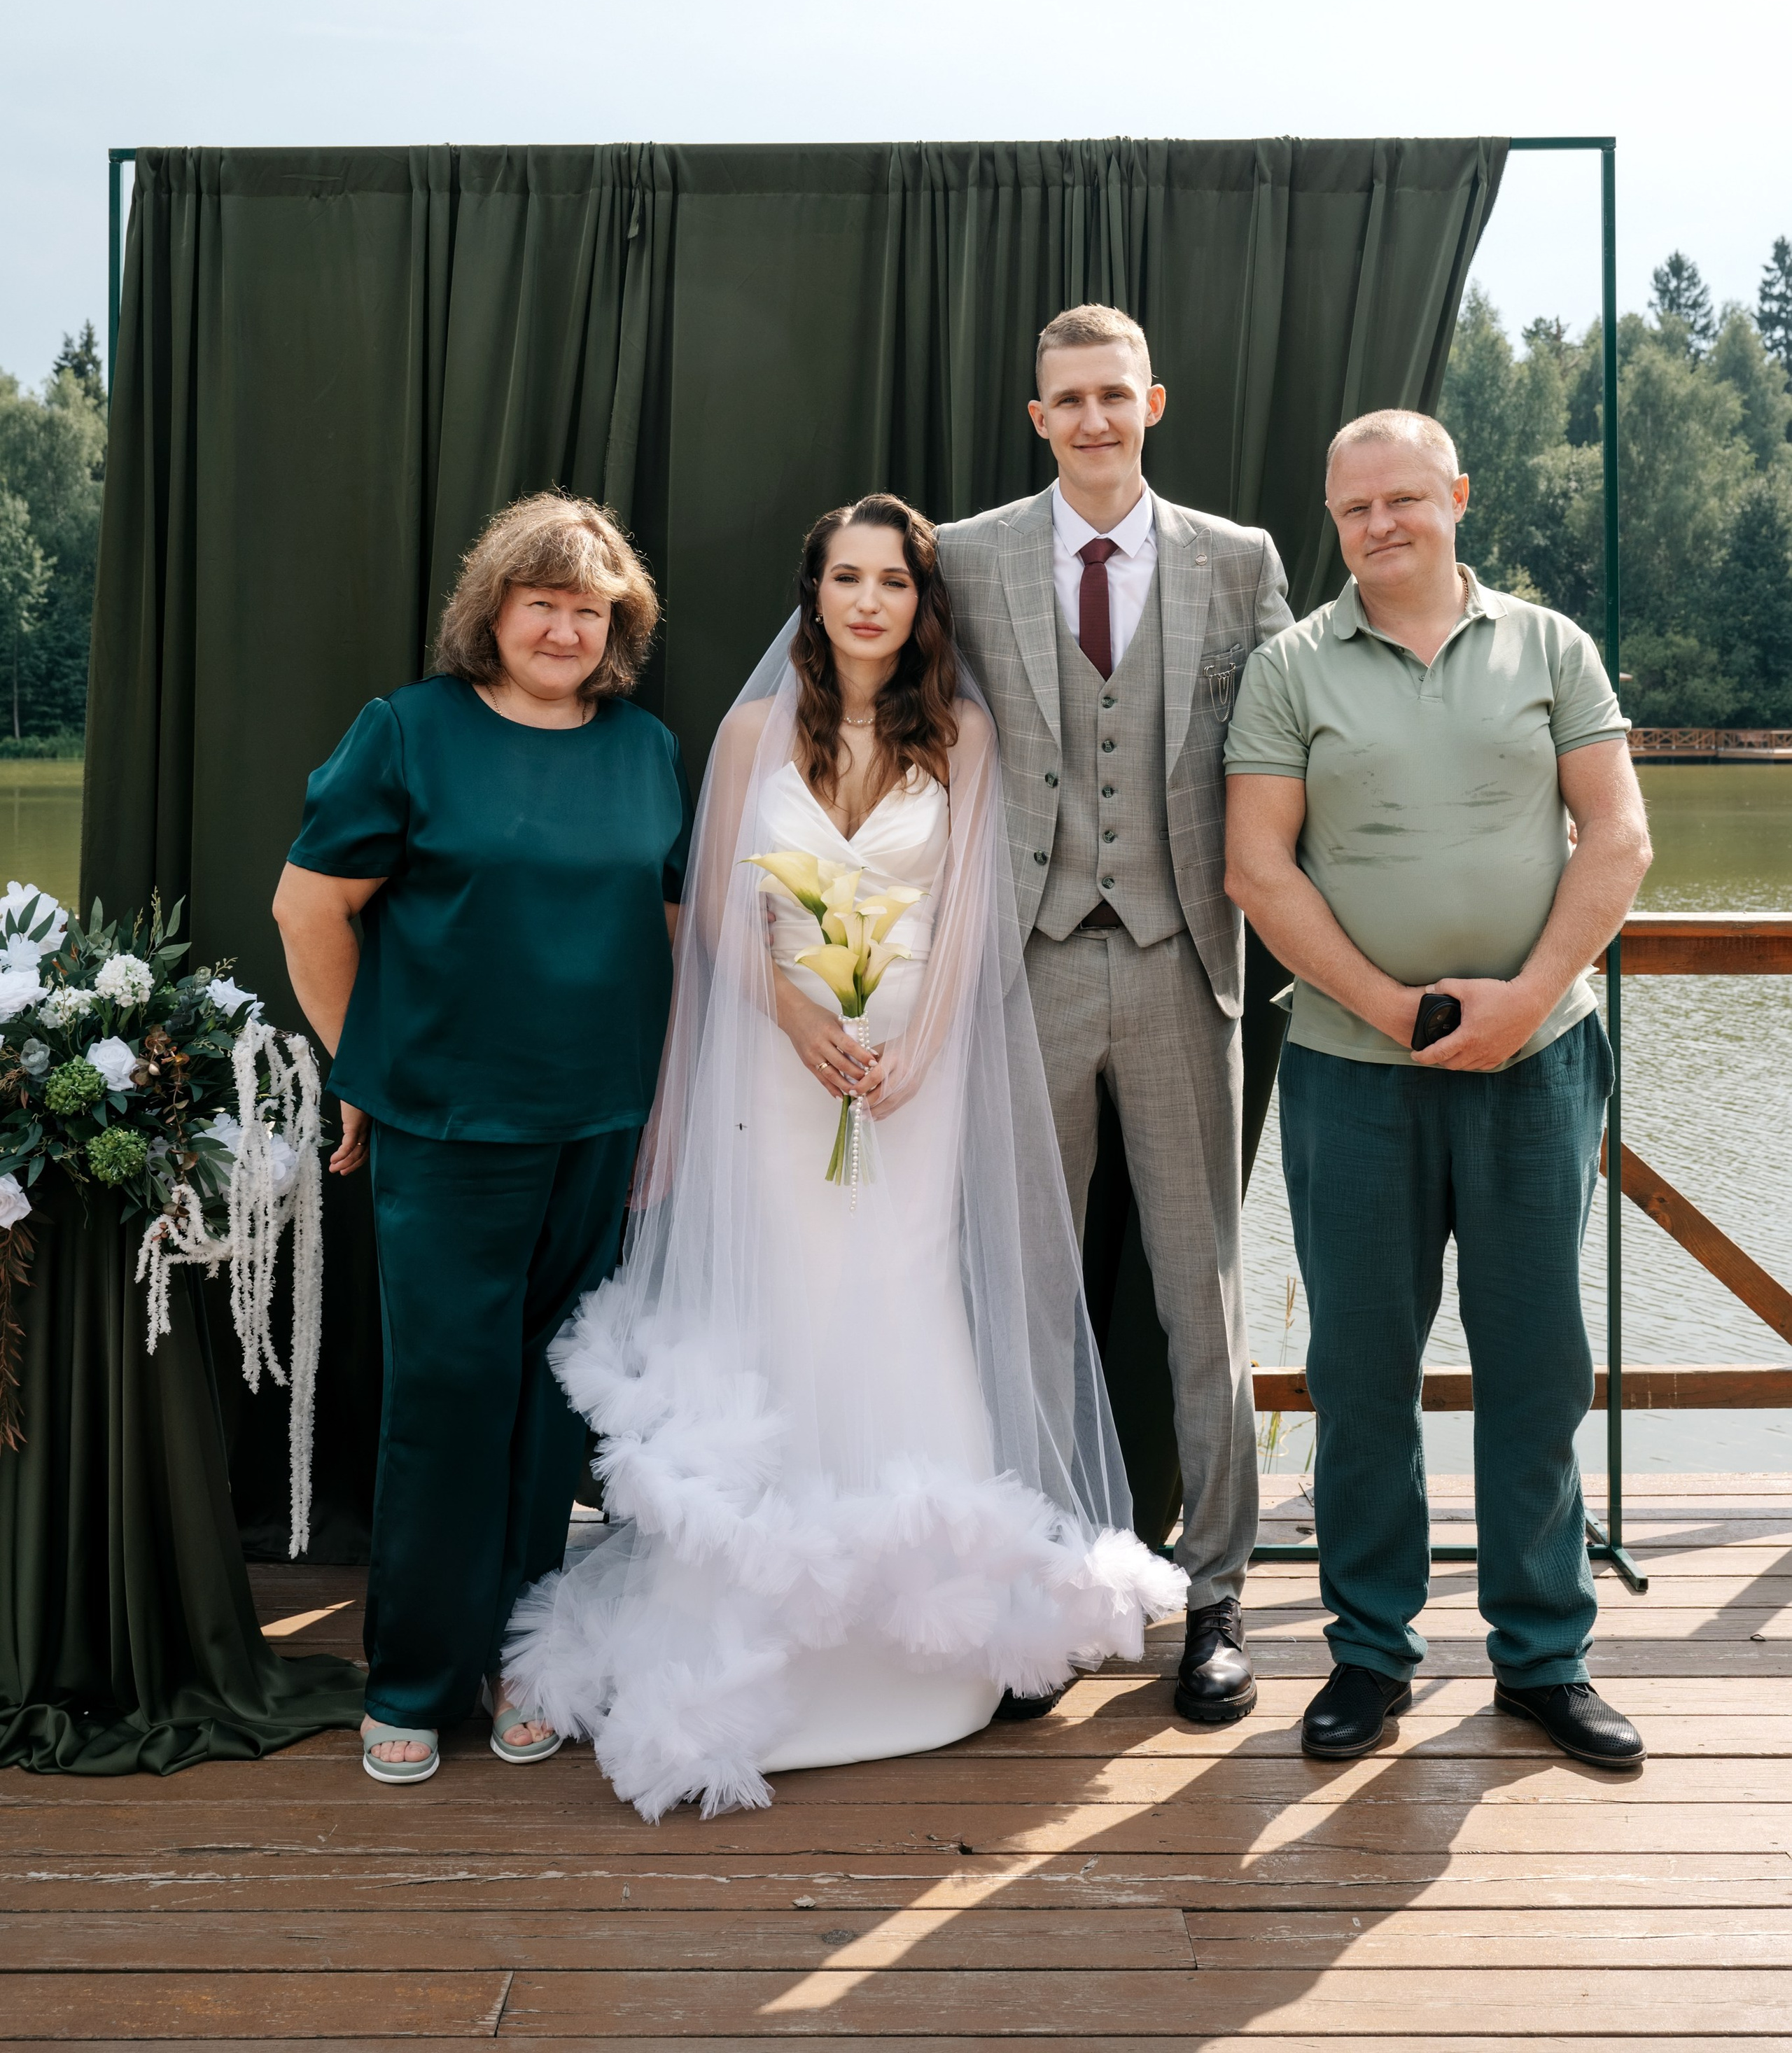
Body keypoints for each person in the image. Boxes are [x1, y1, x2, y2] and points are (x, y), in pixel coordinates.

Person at [504, 492, 1183, 1821]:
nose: (871, 602)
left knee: (903, 1302)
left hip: (914, 1079)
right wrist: (804, 1023)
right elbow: (717, 914)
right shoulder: (757, 730)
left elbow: (976, 911)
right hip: (777, 1061)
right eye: (847, 578)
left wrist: (919, 1051)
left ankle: (912, 1651)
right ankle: (769, 1638)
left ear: (923, 604)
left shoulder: (964, 735)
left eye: (895, 582)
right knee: (788, 1312)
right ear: (813, 593)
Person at [1224, 409, 1653, 1770]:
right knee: (1359, 1373)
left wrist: (1519, 1000)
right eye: (1353, 507)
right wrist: (1391, 1006)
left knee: (1533, 1366)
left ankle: (1540, 1658)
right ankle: (1369, 1653)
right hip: (1354, 1072)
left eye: (1403, 497)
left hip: (1536, 1065)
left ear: (1457, 496)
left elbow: (1618, 835)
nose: (1378, 524)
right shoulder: (1288, 667)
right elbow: (1258, 869)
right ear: (1331, 517)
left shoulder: (1548, 647)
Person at [272, 493, 692, 1785]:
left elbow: (665, 928)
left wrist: (664, 1097)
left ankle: (529, 1659)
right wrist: (367, 1067)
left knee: (552, 1411)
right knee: (448, 1405)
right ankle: (412, 1675)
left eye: (590, 607)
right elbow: (310, 909)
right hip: (450, 1128)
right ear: (492, 612)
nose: (565, 626)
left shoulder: (646, 748)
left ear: (616, 625)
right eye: (540, 601)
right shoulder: (411, 732)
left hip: (601, 1123)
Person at [934, 305, 1292, 1726]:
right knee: (1018, 1292)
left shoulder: (1236, 557)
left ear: (1154, 399)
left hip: (1175, 957)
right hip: (1016, 963)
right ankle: (1034, 1593)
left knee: (1195, 1293)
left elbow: (1287, 742)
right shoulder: (964, 556)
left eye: (1112, 394)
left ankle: (1214, 1597)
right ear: (1037, 416)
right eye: (1066, 399)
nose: (1092, 417)